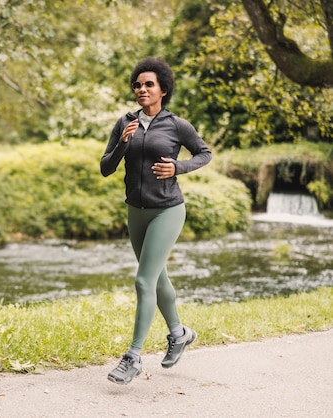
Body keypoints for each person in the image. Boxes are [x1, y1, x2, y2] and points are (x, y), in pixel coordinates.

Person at [100, 57, 212, 385]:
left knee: (143, 281)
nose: (142, 89)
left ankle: (132, 356)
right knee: (158, 279)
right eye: (137, 84)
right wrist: (122, 144)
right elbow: (106, 167)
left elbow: (204, 153)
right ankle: (179, 333)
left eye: (149, 84)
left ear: (163, 89)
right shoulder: (124, 123)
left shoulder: (177, 125)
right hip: (136, 211)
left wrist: (178, 167)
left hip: (167, 210)